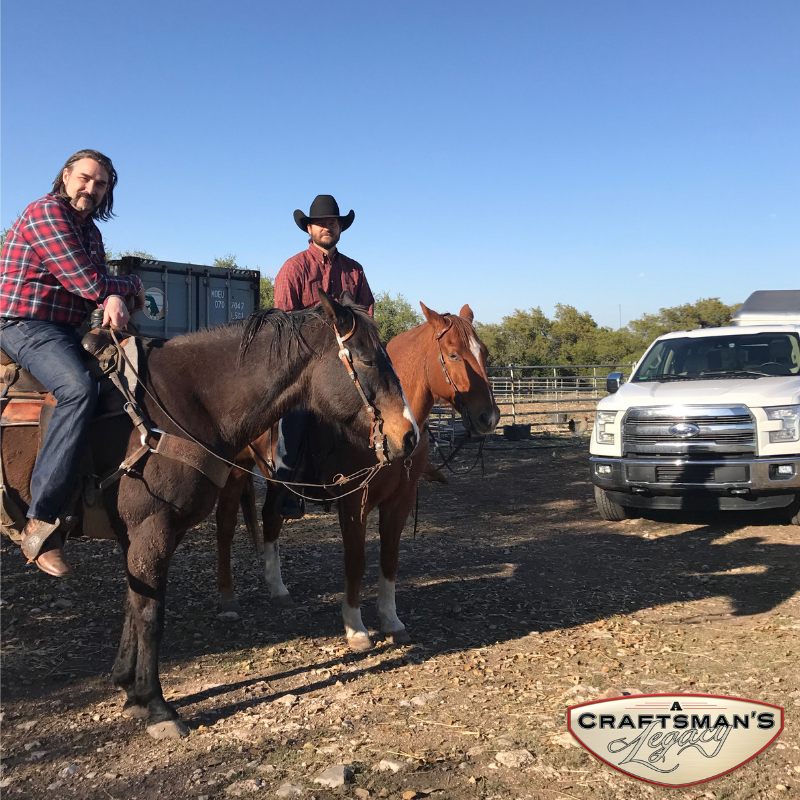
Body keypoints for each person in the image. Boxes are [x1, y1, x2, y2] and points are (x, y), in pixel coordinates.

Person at [0, 149, 144, 576]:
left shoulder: (92, 233)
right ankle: (41, 520)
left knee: (133, 375)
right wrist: (126, 286)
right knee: (77, 388)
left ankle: (98, 496)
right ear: (65, 176)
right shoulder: (46, 213)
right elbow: (88, 281)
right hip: (26, 324)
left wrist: (114, 291)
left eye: (101, 184)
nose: (91, 189)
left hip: (67, 329)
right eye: (85, 179)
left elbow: (98, 286)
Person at [271, 195, 375, 517]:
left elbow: (368, 315)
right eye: (321, 223)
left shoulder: (354, 271)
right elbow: (283, 324)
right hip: (307, 365)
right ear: (310, 228)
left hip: (349, 364)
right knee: (297, 415)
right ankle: (286, 488)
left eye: (333, 222)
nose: (327, 227)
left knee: (382, 401)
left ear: (340, 227)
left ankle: (380, 472)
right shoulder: (293, 268)